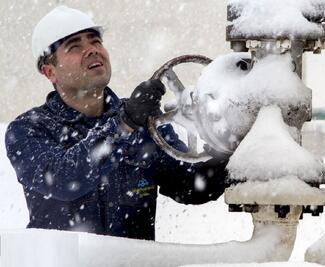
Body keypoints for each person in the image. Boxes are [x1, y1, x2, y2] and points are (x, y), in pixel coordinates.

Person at [5, 6, 228, 240]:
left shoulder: (145, 122)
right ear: (50, 72)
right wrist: (124, 125)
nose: (92, 51)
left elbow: (192, 186)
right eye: (75, 46)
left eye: (96, 42)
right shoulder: (28, 130)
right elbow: (63, 179)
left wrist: (226, 143)